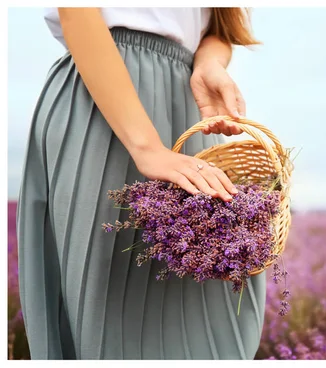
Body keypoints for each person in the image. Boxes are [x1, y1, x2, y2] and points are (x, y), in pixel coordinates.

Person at [17, 7, 266, 360]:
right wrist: (146, 147)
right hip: (106, 98)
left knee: (216, 304)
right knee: (108, 309)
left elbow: (219, 30)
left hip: (188, 104)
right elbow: (77, 13)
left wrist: (209, 63)